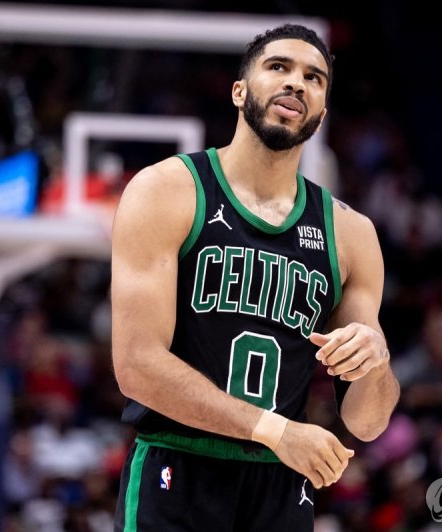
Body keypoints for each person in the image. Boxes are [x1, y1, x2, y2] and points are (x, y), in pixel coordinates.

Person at [111, 23, 399, 531]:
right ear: (239, 90)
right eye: (279, 67)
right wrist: (276, 431)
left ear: (323, 112)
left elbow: (366, 422)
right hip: (179, 466)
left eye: (314, 78)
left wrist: (375, 362)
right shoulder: (166, 190)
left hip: (281, 484)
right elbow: (136, 365)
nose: (296, 83)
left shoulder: (352, 234)